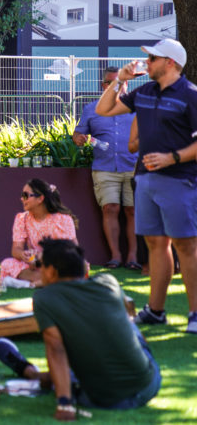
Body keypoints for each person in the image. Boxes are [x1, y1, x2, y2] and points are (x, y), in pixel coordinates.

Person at [96, 38, 197, 332]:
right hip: (146, 179)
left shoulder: (190, 95)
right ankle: (155, 311)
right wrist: (119, 83)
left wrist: (172, 158)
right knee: (155, 243)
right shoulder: (144, 91)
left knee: (186, 246)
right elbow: (104, 110)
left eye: (152, 58)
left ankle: (195, 314)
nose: (146, 63)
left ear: (170, 63)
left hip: (180, 180)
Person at [0, 239, 160, 418]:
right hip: (147, 387)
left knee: (78, 365)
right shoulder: (108, 282)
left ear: (51, 271)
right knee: (128, 323)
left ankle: (34, 375)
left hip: (101, 399)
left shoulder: (45, 298)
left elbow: (56, 349)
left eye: (41, 265)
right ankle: (39, 375)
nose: (39, 269)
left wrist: (64, 404)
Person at [73, 66, 139, 269]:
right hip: (104, 167)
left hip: (134, 166)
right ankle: (115, 256)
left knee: (132, 211)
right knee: (110, 209)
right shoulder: (91, 109)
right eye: (112, 82)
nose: (117, 86)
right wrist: (80, 139)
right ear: (104, 85)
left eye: (121, 82)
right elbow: (77, 136)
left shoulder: (137, 108)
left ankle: (133, 258)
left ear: (127, 84)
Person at [0, 179, 79, 287]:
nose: (22, 199)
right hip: (36, 266)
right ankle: (43, 282)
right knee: (7, 264)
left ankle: (28, 284)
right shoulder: (22, 219)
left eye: (26, 195)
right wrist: (23, 255)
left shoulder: (63, 219)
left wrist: (42, 256)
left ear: (40, 198)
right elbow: (16, 249)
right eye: (22, 195)